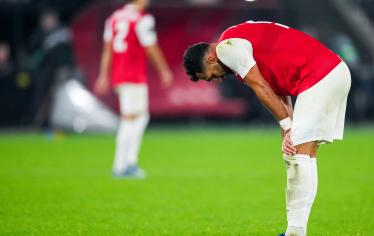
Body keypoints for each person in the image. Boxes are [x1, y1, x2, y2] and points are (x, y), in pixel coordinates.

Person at [183, 21, 351, 236]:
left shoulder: (227, 48)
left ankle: (295, 232)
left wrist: (288, 126)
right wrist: (288, 126)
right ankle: (295, 230)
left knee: (297, 155)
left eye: (212, 75)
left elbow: (261, 87)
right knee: (303, 154)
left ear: (211, 58)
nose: (216, 80)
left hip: (320, 75)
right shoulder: (236, 43)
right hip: (330, 72)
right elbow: (278, 87)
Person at [94, 0, 173, 178]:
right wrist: (164, 70)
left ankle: (127, 162)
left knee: (140, 116)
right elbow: (151, 47)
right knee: (130, 118)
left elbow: (107, 50)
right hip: (133, 75)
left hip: (119, 75)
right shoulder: (142, 19)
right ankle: (123, 164)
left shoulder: (113, 18)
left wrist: (103, 75)